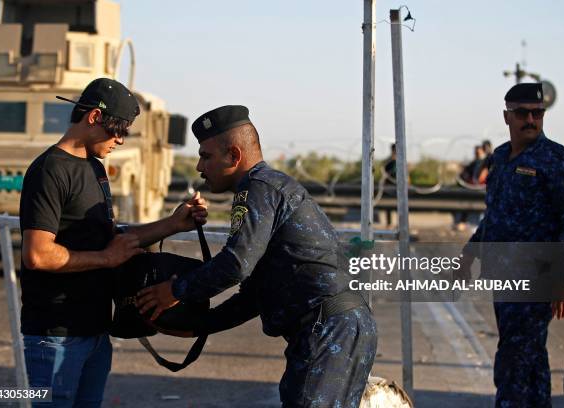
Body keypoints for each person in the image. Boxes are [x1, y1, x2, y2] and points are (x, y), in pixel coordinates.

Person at [136, 105, 377, 407]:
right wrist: (202, 324)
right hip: (337, 327)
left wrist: (174, 291)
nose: (199, 166)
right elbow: (255, 293)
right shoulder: (266, 187)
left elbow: (236, 264)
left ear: (234, 156)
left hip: (329, 330)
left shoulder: (258, 188)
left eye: (206, 156)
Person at [19, 77, 207, 407]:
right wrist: (106, 259)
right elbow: (37, 254)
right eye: (116, 130)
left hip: (95, 333)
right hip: (55, 338)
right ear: (93, 117)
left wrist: (173, 224)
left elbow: (113, 241)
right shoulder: (49, 171)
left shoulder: (95, 169)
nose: (119, 140)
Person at [458, 83, 564, 407]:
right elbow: (494, 216)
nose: (531, 119)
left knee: (514, 356)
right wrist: (468, 255)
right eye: (522, 113)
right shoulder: (500, 158)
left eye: (537, 113)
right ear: (507, 116)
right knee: (529, 357)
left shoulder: (557, 160)